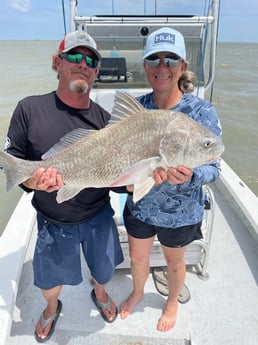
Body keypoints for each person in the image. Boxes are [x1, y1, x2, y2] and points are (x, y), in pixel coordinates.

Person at [4, 30, 124, 342]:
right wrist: (33, 180)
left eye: (90, 59)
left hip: (98, 215)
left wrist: (140, 181)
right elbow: (13, 160)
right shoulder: (29, 109)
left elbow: (119, 179)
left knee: (105, 270)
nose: (82, 63)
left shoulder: (106, 122)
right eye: (74, 56)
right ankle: (51, 306)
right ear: (58, 63)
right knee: (48, 281)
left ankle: (99, 293)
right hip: (52, 220)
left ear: (96, 70)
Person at [119, 27, 222, 332]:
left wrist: (190, 178)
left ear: (182, 67)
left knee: (175, 263)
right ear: (145, 67)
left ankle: (172, 301)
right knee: (138, 260)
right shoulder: (135, 109)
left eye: (170, 59)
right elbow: (122, 158)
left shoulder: (201, 111)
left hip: (180, 214)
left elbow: (215, 166)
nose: (162, 67)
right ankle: (138, 292)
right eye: (154, 60)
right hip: (140, 206)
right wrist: (122, 180)